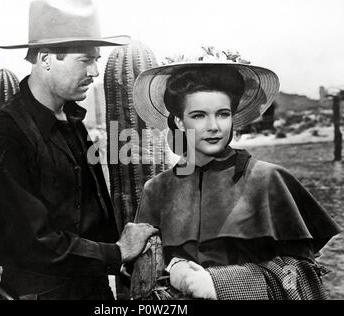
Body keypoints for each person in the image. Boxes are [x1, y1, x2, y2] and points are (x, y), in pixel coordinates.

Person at [0, 0, 157, 300]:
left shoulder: (73, 121)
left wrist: (116, 259)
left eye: (96, 59)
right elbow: (31, 242)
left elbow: (91, 214)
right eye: (85, 60)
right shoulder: (3, 134)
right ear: (45, 58)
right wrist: (116, 253)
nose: (95, 71)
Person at [131, 55, 342, 300]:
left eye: (223, 114)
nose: (214, 126)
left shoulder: (268, 178)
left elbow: (304, 277)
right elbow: (141, 279)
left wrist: (221, 284)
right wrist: (172, 271)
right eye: (199, 115)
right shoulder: (157, 189)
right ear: (179, 121)